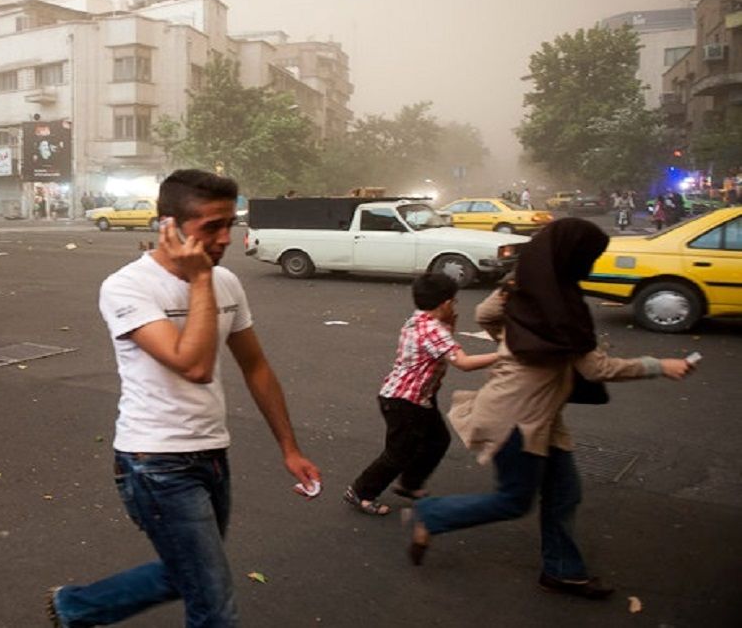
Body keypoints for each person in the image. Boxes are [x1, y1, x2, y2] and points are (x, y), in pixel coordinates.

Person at [47, 169, 321, 627]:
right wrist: (199, 283)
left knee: (189, 573)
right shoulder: (127, 287)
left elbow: (256, 366)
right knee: (214, 604)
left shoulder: (226, 283)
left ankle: (75, 607)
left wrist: (289, 448)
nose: (224, 239)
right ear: (169, 227)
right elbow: (192, 365)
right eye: (210, 227)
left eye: (229, 225)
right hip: (154, 461)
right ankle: (74, 607)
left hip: (212, 453)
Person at [406, 218, 695, 598]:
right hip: (517, 419)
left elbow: (486, 315)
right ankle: (431, 515)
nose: (590, 264)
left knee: (564, 494)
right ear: (571, 257)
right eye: (589, 256)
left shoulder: (523, 286)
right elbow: (596, 367)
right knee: (513, 501)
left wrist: (517, 342)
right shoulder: (559, 308)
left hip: (541, 416)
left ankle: (562, 570)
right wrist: (661, 366)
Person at [344, 273, 499, 516]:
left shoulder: (420, 320)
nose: (455, 306)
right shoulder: (432, 329)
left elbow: (444, 346)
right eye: (454, 301)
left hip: (417, 397)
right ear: (446, 303)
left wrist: (451, 324)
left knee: (438, 440)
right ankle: (361, 491)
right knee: (398, 453)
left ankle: (409, 484)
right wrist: (506, 355)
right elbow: (464, 362)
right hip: (404, 401)